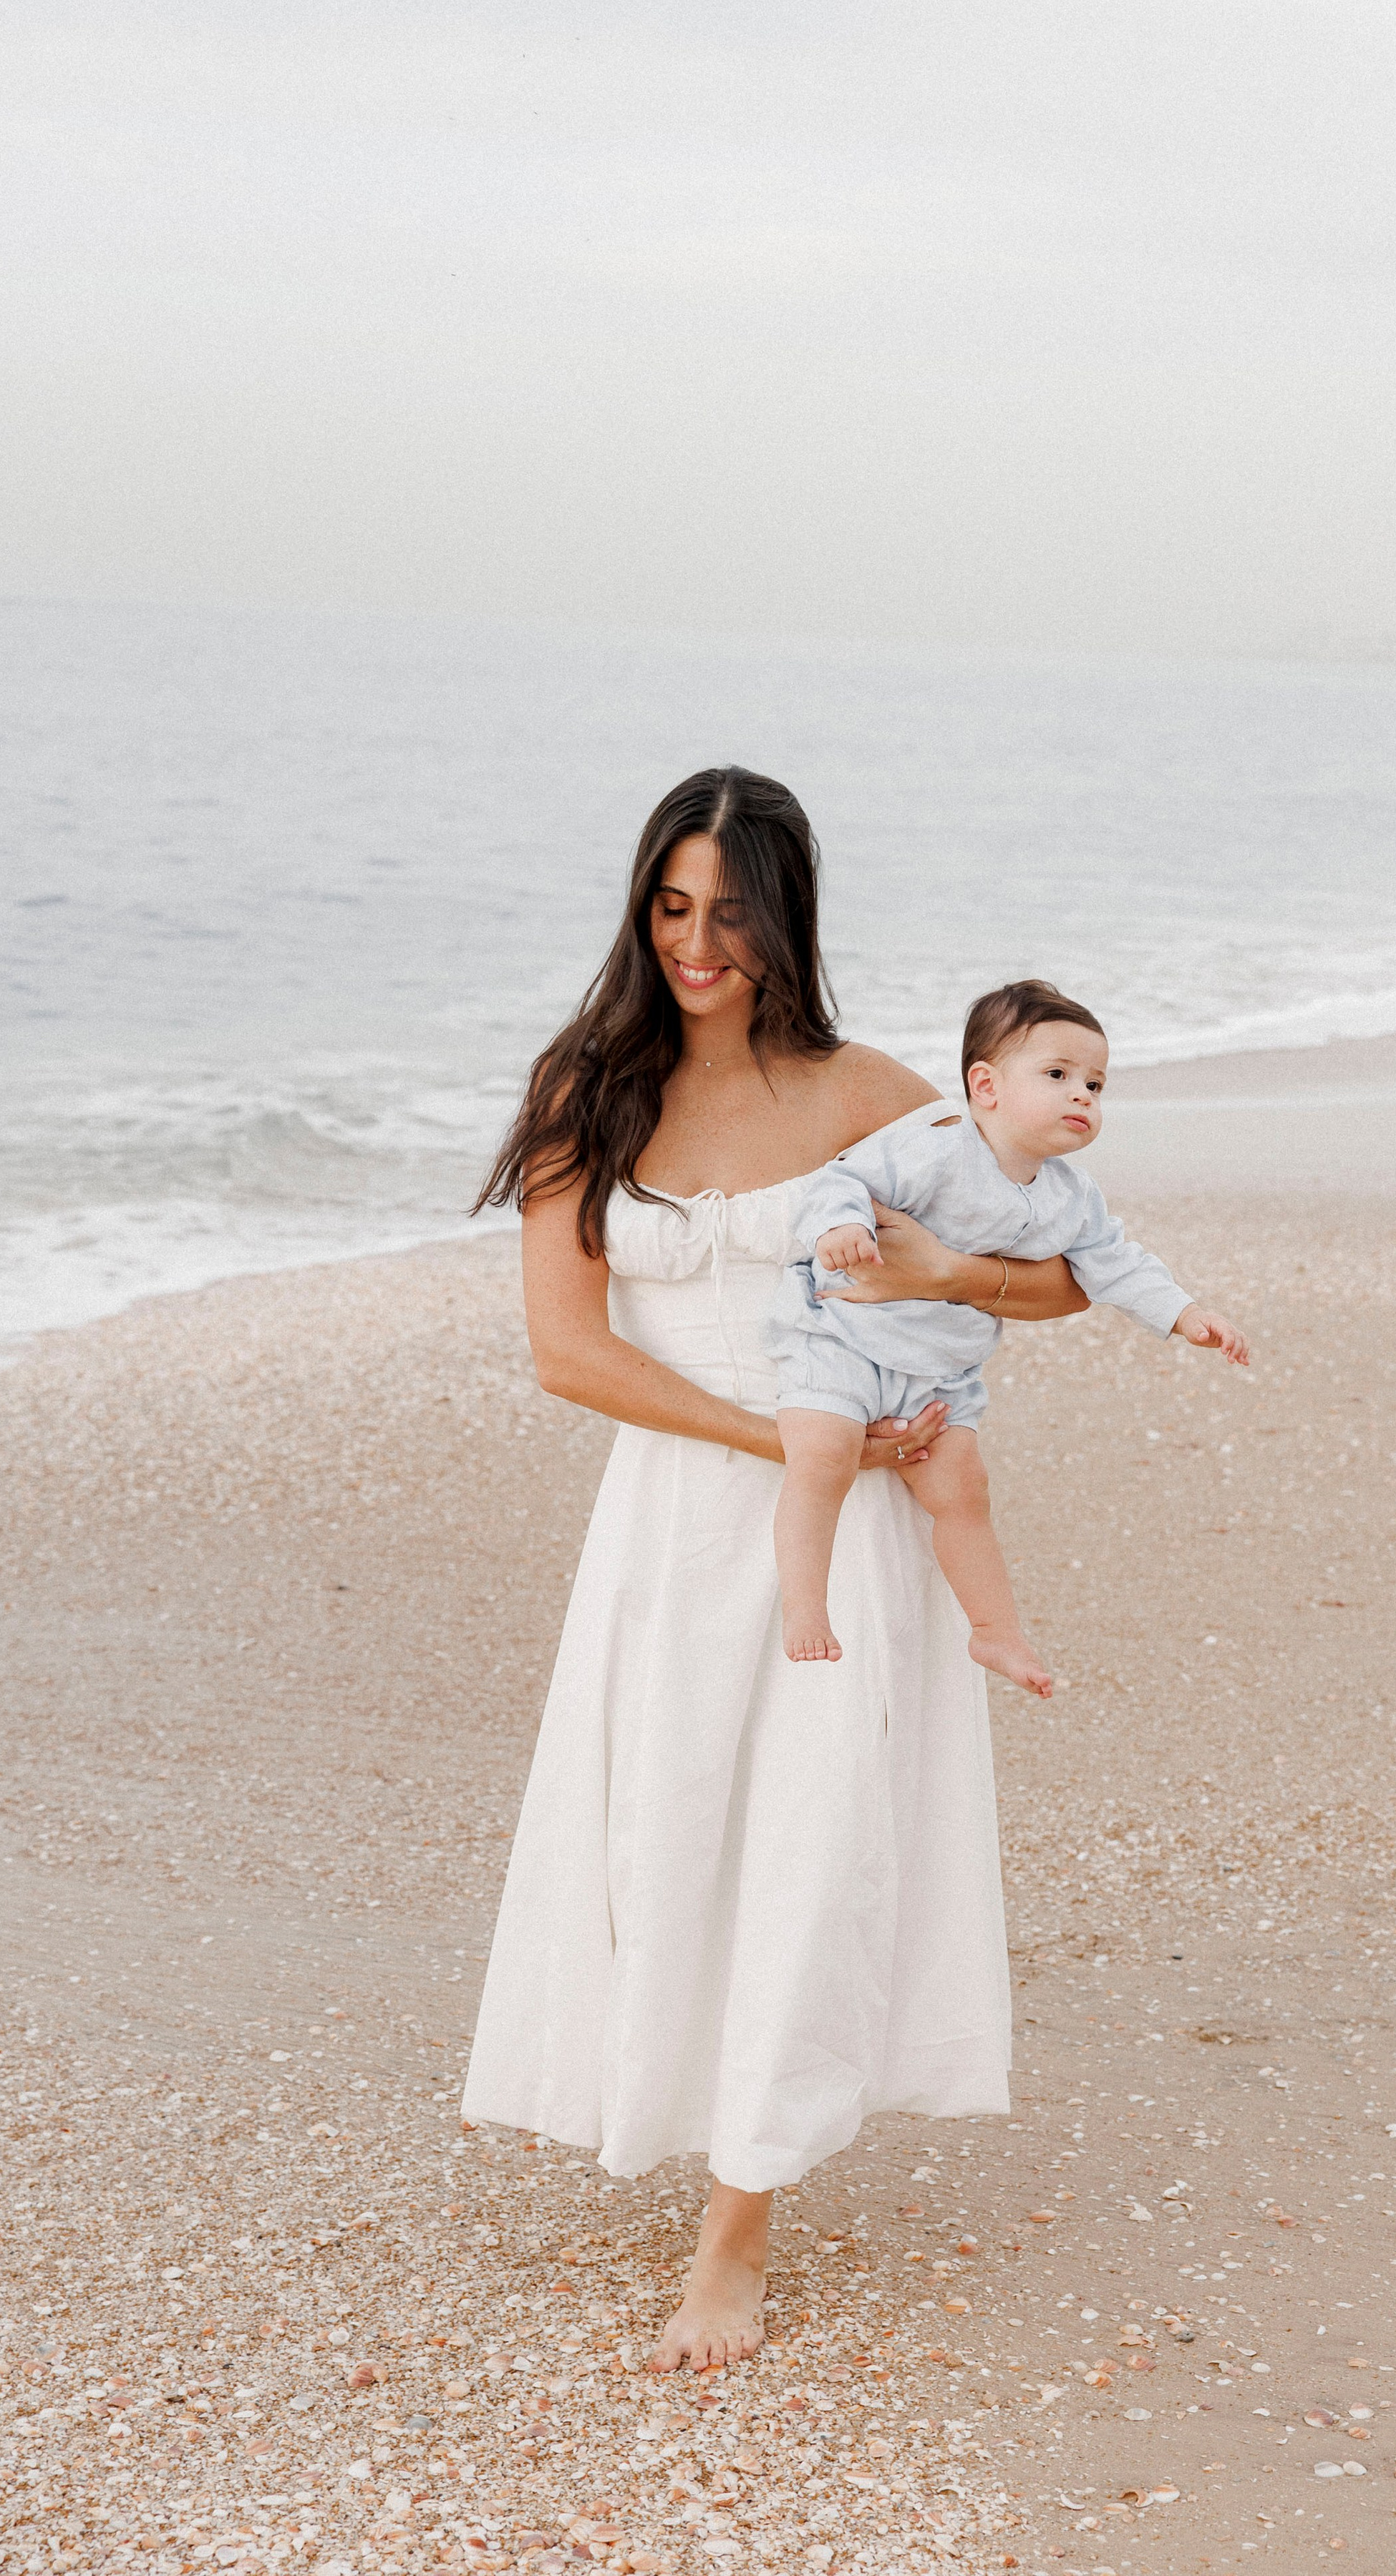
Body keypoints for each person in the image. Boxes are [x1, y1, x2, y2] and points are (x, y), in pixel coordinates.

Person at [461, 769, 1089, 2376]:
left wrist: (946, 1271)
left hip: (849, 1533)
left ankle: (736, 2228)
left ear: (786, 918)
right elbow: (566, 1351)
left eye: (729, 913)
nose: (696, 943)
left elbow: (1060, 1277)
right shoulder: (587, 1084)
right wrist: (779, 1440)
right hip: (678, 1518)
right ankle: (671, 2099)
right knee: (670, 1829)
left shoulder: (871, 1095)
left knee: (809, 1844)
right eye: (671, 907)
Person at [769, 978, 1250, 1685]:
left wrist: (1184, 1313)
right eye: (1057, 1075)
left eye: (1094, 1084)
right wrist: (842, 1225)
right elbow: (839, 1181)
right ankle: (805, 1606)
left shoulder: (1071, 1196)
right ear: (986, 1086)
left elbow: (1115, 1261)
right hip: (842, 1334)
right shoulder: (936, 1150)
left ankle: (995, 1631)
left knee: (964, 1490)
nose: (1082, 1095)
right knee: (821, 1456)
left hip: (940, 1368)